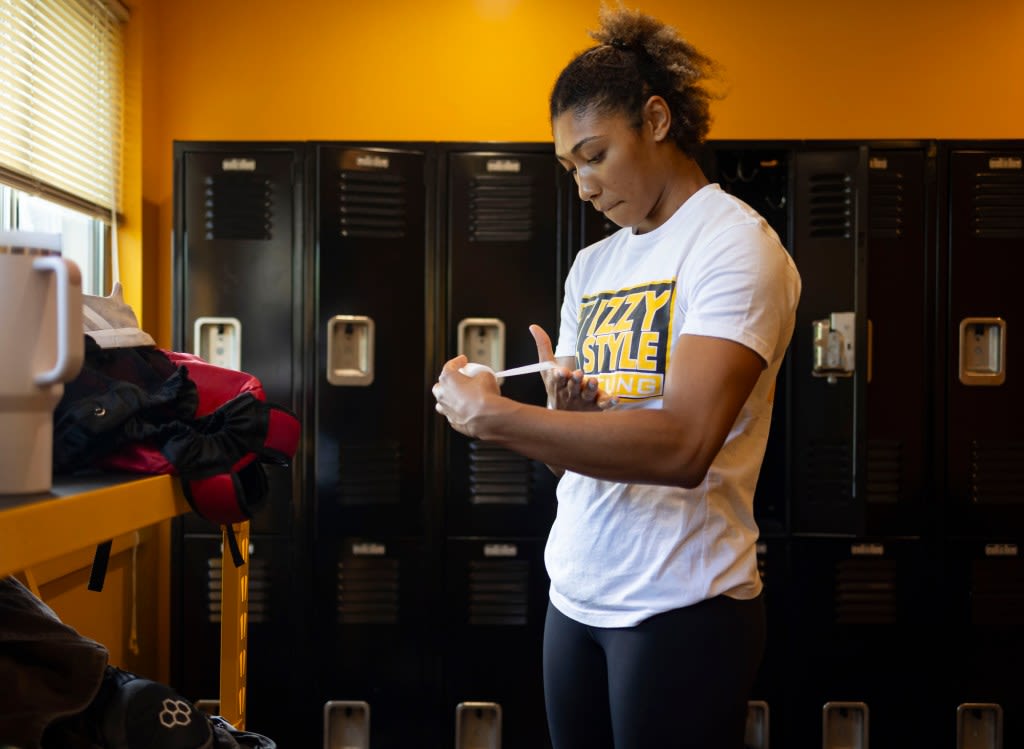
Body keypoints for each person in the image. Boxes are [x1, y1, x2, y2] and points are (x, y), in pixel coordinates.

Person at [431, 5, 801, 748]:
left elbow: (684, 445)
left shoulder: (733, 245)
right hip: (577, 593)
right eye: (570, 167)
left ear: (657, 120)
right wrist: (568, 418)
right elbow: (585, 443)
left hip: (682, 603)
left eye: (595, 155)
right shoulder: (593, 266)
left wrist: (497, 418)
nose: (584, 186)